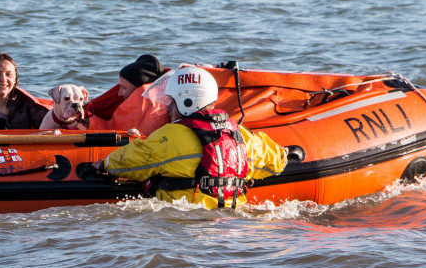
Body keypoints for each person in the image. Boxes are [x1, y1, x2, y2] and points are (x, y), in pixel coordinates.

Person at [98, 65, 287, 208]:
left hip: (187, 226)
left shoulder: (170, 136)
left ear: (187, 102)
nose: (168, 108)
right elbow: (276, 160)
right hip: (233, 223)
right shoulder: (240, 134)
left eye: (171, 102)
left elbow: (133, 159)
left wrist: (102, 165)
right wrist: (287, 153)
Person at [87, 54, 170, 135]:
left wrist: (87, 123)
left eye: (124, 88)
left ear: (138, 90)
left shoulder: (146, 105)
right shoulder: (159, 100)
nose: (119, 93)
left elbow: (115, 133)